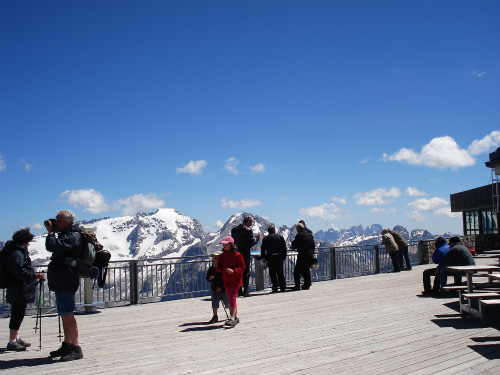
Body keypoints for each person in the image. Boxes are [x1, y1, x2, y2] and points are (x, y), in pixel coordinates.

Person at [44, 209, 84, 361]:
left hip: (67, 278)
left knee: (68, 314)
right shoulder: (67, 235)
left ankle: (76, 347)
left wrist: (51, 233)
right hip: (62, 278)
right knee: (64, 314)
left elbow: (52, 246)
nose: (56, 221)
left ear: (67, 221)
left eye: (59, 219)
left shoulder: (72, 236)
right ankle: (67, 344)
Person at [2, 228, 45, 351]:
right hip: (18, 288)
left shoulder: (15, 251)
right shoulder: (18, 253)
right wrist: (35, 275)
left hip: (16, 287)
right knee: (17, 314)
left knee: (18, 313)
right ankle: (12, 341)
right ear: (24, 241)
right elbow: (20, 273)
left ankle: (15, 338)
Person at [215, 236, 246, 328]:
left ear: (231, 244)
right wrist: (216, 267)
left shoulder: (238, 255)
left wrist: (233, 271)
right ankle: (235, 317)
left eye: (226, 243)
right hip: (226, 280)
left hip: (236, 279)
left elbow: (243, 267)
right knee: (230, 298)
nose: (224, 245)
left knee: (232, 298)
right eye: (223, 244)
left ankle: (232, 318)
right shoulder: (222, 256)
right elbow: (221, 269)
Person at [231, 216, 260, 297]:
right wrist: (257, 239)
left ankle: (239, 290)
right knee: (246, 271)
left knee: (238, 271)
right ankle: (246, 290)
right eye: (250, 223)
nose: (251, 225)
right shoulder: (248, 230)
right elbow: (251, 242)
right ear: (248, 222)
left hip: (236, 253)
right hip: (245, 253)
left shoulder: (234, 229)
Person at [260, 225, 287, 293]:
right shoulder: (280, 237)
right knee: (280, 272)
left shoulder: (266, 239)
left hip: (270, 258)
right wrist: (283, 256)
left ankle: (275, 287)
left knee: (272, 273)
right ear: (274, 230)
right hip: (279, 257)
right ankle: (282, 286)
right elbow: (284, 248)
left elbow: (263, 249)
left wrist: (265, 257)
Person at [205, 252, 230, 323]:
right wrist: (209, 278)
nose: (214, 260)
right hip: (215, 288)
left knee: (227, 302)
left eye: (216, 258)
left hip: (223, 289)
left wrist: (221, 287)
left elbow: (226, 279)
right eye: (213, 258)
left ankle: (232, 315)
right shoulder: (211, 269)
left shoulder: (223, 268)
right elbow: (207, 277)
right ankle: (215, 316)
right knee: (214, 302)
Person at [291, 223, 315, 290]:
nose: (296, 229)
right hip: (310, 254)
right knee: (306, 270)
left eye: (297, 228)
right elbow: (313, 245)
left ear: (299, 228)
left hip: (302, 255)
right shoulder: (309, 234)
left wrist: (293, 246)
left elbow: (295, 244)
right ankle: (307, 284)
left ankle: (297, 286)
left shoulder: (299, 235)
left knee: (297, 271)